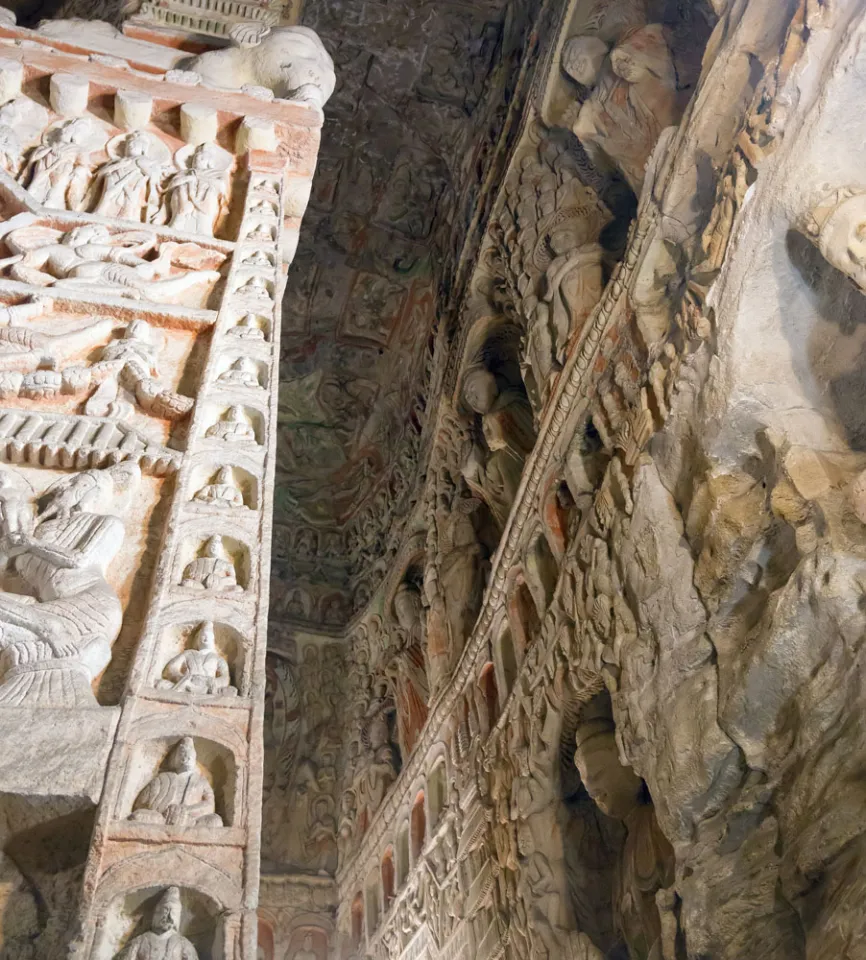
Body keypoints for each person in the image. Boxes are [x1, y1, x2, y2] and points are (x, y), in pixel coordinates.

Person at [130, 737, 224, 828]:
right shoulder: (163, 778)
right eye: (182, 753)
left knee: (215, 821)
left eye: (190, 754)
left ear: (194, 757)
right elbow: (141, 803)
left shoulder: (201, 781)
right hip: (162, 818)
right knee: (138, 816)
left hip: (191, 820)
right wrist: (167, 811)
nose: (187, 757)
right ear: (176, 758)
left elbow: (209, 804)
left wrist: (187, 811)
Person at [118, 886, 199, 959]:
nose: (168, 917)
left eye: (173, 913)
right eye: (165, 911)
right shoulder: (140, 941)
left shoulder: (183, 943)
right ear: (156, 914)